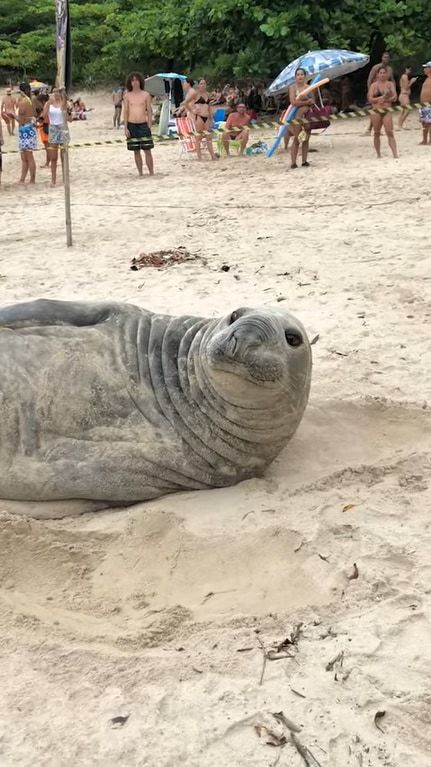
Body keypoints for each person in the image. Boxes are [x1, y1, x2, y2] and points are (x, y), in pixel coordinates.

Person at [123, 72, 154, 176]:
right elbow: (126, 112)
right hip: (132, 125)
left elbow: (149, 110)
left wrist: (149, 124)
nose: (135, 82)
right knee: (136, 151)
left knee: (147, 150)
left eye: (136, 80)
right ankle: (140, 173)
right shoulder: (127, 96)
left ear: (140, 81)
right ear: (130, 82)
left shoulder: (146, 95)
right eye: (133, 80)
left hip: (143, 125)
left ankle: (151, 172)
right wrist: (126, 128)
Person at [7, 82, 37, 184]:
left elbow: (21, 120)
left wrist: (12, 114)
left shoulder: (23, 102)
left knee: (27, 156)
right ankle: (23, 178)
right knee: (25, 156)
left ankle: (31, 179)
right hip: (30, 129)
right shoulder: (32, 101)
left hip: (25, 130)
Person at [367, 66, 398, 158]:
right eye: (380, 73)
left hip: (386, 110)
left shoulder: (390, 84)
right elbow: (370, 99)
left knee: (389, 132)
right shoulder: (373, 85)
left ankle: (395, 154)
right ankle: (378, 154)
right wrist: (382, 97)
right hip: (376, 111)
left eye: (384, 72)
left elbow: (395, 97)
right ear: (377, 74)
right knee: (376, 133)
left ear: (387, 74)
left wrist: (386, 99)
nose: (382, 74)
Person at [183, 78, 217, 161]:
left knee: (209, 137)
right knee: (199, 137)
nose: (203, 85)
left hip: (207, 116)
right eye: (201, 83)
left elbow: (209, 106)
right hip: (199, 117)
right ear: (198, 85)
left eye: (204, 83)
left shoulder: (207, 94)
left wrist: (212, 117)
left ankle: (212, 156)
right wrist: (192, 111)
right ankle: (199, 157)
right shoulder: (195, 94)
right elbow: (185, 103)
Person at [287, 68, 315, 169]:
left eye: (302, 74)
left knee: (306, 139)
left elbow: (313, 102)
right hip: (296, 117)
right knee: (297, 139)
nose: (300, 76)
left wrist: (307, 100)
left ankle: (304, 161)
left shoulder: (309, 87)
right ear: (295, 77)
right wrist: (305, 102)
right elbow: (293, 102)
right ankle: (293, 162)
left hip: (307, 116)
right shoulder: (292, 88)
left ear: (305, 76)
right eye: (298, 75)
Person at [42, 88, 70, 186]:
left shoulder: (64, 103)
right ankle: (53, 180)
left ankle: (65, 178)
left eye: (58, 92)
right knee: (53, 157)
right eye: (54, 92)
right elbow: (43, 115)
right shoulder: (49, 103)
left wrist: (67, 111)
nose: (56, 94)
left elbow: (69, 119)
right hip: (53, 129)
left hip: (63, 128)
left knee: (64, 156)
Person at [366, 53, 394, 134]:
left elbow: (392, 80)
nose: (386, 59)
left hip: (386, 91)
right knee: (375, 109)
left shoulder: (390, 69)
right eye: (384, 57)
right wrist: (369, 91)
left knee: (384, 110)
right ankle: (370, 129)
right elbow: (369, 79)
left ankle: (376, 128)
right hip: (376, 91)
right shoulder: (376, 67)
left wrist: (393, 91)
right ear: (381, 58)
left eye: (388, 57)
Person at [36, 92, 50, 167]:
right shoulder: (47, 107)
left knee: (48, 148)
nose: (38, 104)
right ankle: (48, 162)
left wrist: (37, 122)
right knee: (48, 148)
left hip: (45, 130)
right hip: (45, 129)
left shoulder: (45, 109)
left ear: (43, 101)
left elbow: (46, 121)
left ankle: (47, 163)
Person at [419, 61, 431, 145]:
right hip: (423, 105)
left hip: (429, 105)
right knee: (424, 123)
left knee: (430, 123)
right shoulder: (427, 78)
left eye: (426, 67)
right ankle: (424, 140)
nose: (424, 69)